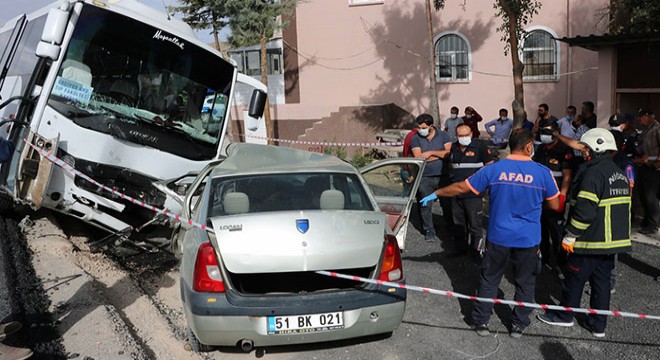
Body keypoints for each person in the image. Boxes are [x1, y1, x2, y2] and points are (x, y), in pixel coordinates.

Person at [420, 129, 560, 338]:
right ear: (529, 146)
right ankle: (519, 325)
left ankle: (481, 321)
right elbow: (555, 204)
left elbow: (461, 188)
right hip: (528, 238)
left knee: (490, 278)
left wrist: (436, 193)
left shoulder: (495, 169)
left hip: (498, 236)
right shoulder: (543, 172)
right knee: (525, 282)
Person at [537, 128, 632, 338]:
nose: (584, 152)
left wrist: (570, 234)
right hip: (612, 243)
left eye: (586, 148)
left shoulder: (593, 173)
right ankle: (598, 325)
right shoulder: (617, 173)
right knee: (602, 284)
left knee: (574, 279)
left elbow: (585, 211)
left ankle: (565, 316)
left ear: (596, 148)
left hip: (591, 240)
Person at [447, 124, 493, 257]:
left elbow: (489, 166)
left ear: (471, 134)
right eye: (460, 136)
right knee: (458, 223)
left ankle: (476, 250)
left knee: (475, 223)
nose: (463, 138)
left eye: (466, 135)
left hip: (473, 193)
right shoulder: (454, 147)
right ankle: (460, 249)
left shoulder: (479, 147)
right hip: (457, 192)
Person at [533, 120, 572, 272]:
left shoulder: (564, 150)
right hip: (540, 198)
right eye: (543, 132)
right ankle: (543, 257)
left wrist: (562, 197)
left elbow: (567, 176)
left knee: (557, 232)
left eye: (548, 132)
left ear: (556, 133)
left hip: (556, 199)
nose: (545, 135)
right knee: (541, 229)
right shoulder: (541, 149)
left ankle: (560, 262)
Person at [411, 114, 452, 241]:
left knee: (447, 205)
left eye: (423, 127)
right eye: (419, 127)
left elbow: (449, 153)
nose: (420, 130)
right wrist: (440, 154)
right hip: (425, 177)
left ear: (431, 126)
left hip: (443, 176)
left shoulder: (444, 136)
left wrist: (431, 153)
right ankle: (429, 229)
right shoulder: (415, 139)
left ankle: (450, 229)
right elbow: (419, 157)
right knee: (425, 205)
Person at [632, 108, 660, 236]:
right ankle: (646, 220)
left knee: (651, 197)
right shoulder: (645, 130)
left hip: (654, 169)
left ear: (649, 116)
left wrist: (654, 159)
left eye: (641, 116)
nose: (639, 119)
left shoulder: (657, 129)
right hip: (643, 167)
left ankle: (653, 224)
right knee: (642, 195)